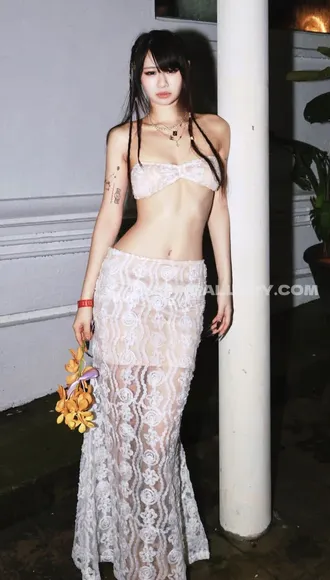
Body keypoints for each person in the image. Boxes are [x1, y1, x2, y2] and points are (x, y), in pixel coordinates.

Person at [70, 29, 232, 580]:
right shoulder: (125, 137)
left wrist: (225, 285)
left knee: (159, 435)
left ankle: (151, 558)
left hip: (184, 291)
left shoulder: (215, 130)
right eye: (148, 72)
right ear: (137, 79)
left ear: (186, 70)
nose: (160, 83)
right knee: (123, 432)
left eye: (168, 69)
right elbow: (110, 214)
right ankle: (143, 565)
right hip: (127, 287)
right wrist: (87, 297)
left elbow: (218, 209)